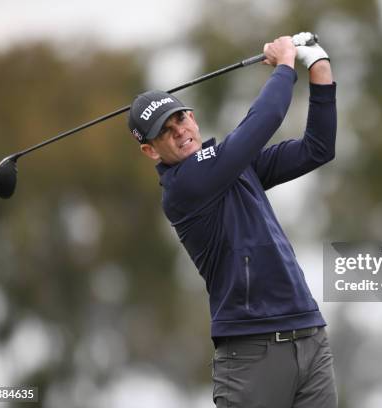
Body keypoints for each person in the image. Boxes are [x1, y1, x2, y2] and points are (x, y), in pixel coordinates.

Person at [128, 32, 337, 408]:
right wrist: (285, 64)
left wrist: (318, 63)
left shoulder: (234, 165)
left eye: (179, 119)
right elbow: (265, 119)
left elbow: (317, 148)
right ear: (150, 150)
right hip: (251, 353)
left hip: (310, 336)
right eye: (165, 131)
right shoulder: (184, 186)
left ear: (192, 116)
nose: (179, 131)